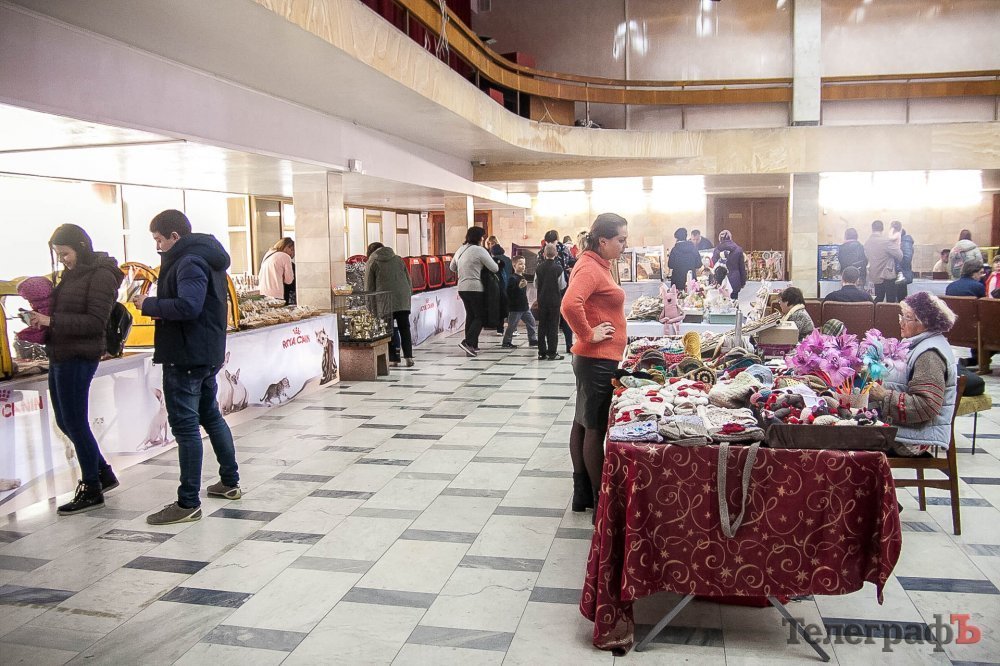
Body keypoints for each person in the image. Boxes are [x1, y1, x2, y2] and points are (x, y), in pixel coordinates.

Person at [133, 210, 241, 525]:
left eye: (159, 240)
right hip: (204, 352)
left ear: (174, 236)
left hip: (186, 355)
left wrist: (149, 305)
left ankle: (188, 502)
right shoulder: (205, 256)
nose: (157, 246)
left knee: (185, 428)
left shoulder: (189, 261)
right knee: (210, 416)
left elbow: (189, 306)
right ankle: (230, 482)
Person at [28, 224, 124, 515]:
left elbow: (95, 322)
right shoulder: (72, 274)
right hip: (61, 352)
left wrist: (51, 321)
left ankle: (91, 488)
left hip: (79, 356)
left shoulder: (102, 275)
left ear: (81, 247)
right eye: (58, 255)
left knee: (75, 421)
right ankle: (103, 473)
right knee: (64, 421)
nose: (62, 260)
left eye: (65, 253)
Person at [561, 213, 628, 517]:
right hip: (596, 359)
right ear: (603, 241)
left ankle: (583, 494)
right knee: (594, 427)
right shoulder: (590, 267)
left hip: (596, 358)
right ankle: (601, 499)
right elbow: (569, 304)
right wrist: (588, 333)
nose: (624, 245)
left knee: (583, 421)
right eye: (620, 240)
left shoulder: (597, 264)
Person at [869, 292, 958, 457]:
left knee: (845, 436)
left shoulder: (929, 355)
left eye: (907, 318)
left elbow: (926, 405)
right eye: (901, 316)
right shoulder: (918, 344)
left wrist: (884, 396)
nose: (901, 322)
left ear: (925, 322)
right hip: (906, 430)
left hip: (911, 439)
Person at [450, 226, 497, 357]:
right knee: (480, 316)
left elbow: (452, 267)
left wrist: (465, 269)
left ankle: (472, 346)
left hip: (462, 288)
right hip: (475, 288)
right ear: (479, 238)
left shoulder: (460, 249)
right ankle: (468, 342)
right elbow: (494, 268)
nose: (483, 239)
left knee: (471, 315)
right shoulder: (479, 250)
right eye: (482, 237)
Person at [365, 242, 414, 367]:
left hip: (384, 300)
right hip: (402, 299)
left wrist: (370, 308)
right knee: (405, 327)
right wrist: (408, 295)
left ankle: (394, 359)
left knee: (388, 330)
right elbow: (408, 280)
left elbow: (369, 287)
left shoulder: (372, 261)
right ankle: (409, 357)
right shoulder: (398, 259)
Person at [535, 244, 565, 361]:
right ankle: (552, 352)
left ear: (544, 254)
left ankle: (541, 352)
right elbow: (562, 285)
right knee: (553, 326)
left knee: (542, 326)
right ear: (556, 254)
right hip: (554, 301)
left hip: (542, 300)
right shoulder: (558, 268)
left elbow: (536, 284)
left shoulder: (539, 268)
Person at [501, 255, 538, 350]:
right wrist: (518, 287)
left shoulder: (523, 277)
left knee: (531, 322)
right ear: (514, 265)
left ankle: (533, 340)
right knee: (512, 325)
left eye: (524, 264)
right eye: (520, 264)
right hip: (516, 308)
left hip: (524, 306)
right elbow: (509, 292)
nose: (523, 266)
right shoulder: (512, 278)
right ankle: (506, 341)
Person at [864, 220, 902, 303]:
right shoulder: (886, 242)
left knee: (878, 300)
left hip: (874, 275)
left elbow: (867, 257)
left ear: (872, 229)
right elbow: (900, 255)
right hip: (887, 275)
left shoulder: (867, 243)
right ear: (882, 229)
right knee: (890, 301)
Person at [711, 230, 747, 298]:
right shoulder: (738, 249)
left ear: (720, 239)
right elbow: (742, 267)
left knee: (720, 301)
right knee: (734, 301)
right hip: (734, 280)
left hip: (720, 280)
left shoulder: (716, 250)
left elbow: (714, 264)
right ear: (730, 238)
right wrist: (743, 282)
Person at [258, 237, 295, 303]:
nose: (293, 253)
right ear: (286, 247)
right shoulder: (285, 256)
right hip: (276, 294)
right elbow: (289, 280)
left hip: (263, 292)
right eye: (292, 250)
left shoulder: (268, 255)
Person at [491, 243, 511, 334]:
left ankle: (500, 329)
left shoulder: (493, 260)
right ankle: (513, 328)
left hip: (498, 286)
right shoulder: (508, 259)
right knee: (510, 308)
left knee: (499, 308)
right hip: (509, 286)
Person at [891, 221, 914, 299]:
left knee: (901, 299)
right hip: (899, 273)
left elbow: (907, 258)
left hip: (901, 274)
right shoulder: (902, 242)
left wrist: (898, 268)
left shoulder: (905, 242)